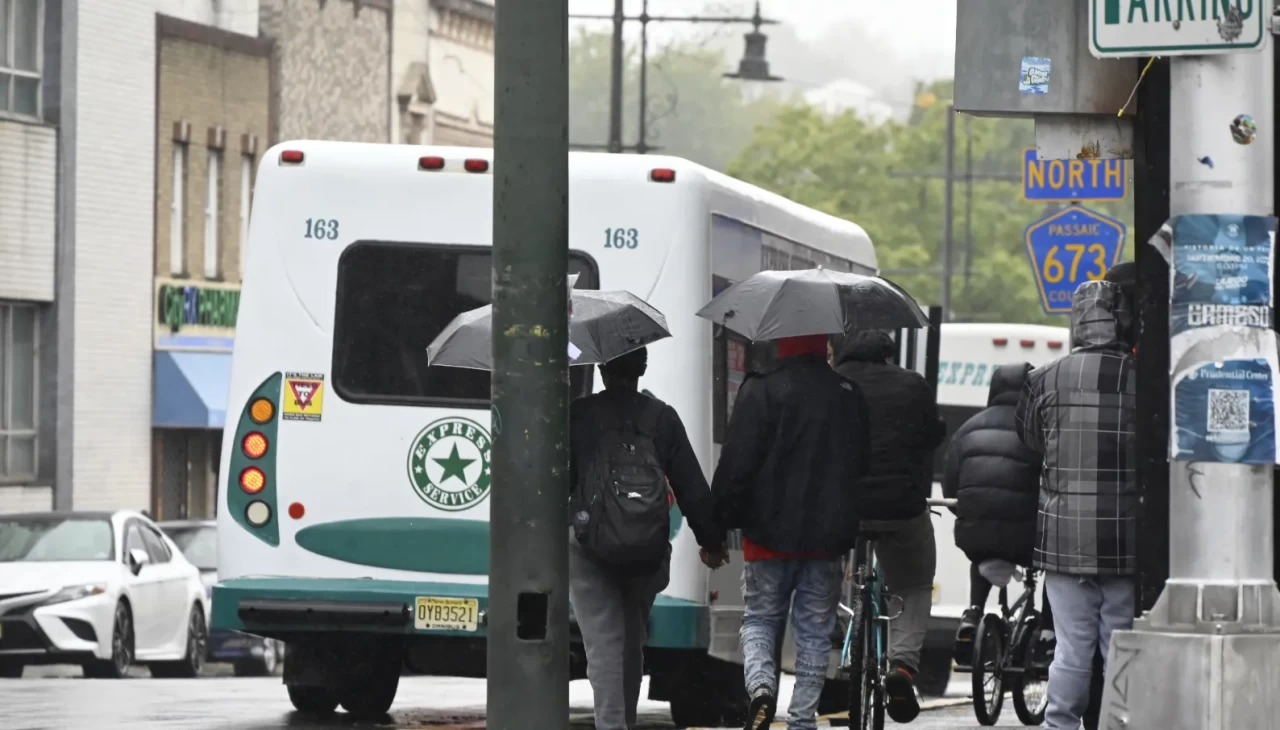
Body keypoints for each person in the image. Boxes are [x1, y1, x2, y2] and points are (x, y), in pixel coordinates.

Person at [712, 334, 871, 730]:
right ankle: (802, 721)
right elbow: (861, 465)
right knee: (815, 635)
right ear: (823, 342)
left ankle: (762, 689)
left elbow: (737, 463)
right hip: (826, 539)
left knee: (760, 620)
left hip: (767, 535)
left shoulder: (760, 390)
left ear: (783, 340)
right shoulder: (848, 395)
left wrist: (717, 526)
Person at [567, 347, 729, 730]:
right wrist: (711, 541)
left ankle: (612, 725)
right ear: (642, 367)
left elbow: (559, 478)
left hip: (589, 545)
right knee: (631, 638)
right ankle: (623, 720)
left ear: (602, 369)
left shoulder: (579, 414)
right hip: (645, 545)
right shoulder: (662, 417)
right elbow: (691, 485)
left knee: (604, 641)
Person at [1016, 280, 1138, 730]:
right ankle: (1118, 723)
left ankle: (1060, 724)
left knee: (1070, 648)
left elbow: (1030, 441)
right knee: (1119, 643)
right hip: (1123, 538)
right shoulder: (1143, 379)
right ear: (1122, 320)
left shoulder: (1042, 378)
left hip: (1063, 538)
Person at [832, 329, 946, 723]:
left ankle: (831, 623)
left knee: (820, 563)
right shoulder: (913, 385)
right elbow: (933, 436)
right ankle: (901, 667)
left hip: (842, 506)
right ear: (887, 353)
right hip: (901, 506)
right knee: (914, 584)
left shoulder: (833, 383)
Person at [941, 363, 1052, 668]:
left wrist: (969, 511)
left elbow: (951, 486)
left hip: (974, 533)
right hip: (1027, 537)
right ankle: (1047, 633)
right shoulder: (1041, 431)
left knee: (984, 546)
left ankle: (973, 612)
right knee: (1055, 565)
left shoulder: (967, 428)